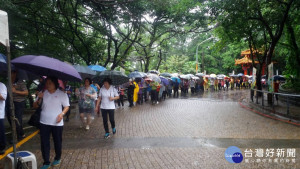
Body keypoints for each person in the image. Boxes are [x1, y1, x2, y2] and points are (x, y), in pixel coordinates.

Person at [34, 76, 69, 169]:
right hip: (44, 122)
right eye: (47, 83)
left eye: (50, 83)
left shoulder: (62, 94)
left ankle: (58, 157)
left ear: (55, 84)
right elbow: (35, 106)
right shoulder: (43, 93)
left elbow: (66, 106)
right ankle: (46, 162)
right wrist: (39, 98)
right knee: (44, 142)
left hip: (57, 123)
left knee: (57, 141)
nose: (48, 85)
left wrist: (62, 114)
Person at [9, 70, 28, 141]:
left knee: (17, 119)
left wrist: (15, 91)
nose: (10, 74)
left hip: (19, 103)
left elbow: (26, 92)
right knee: (10, 118)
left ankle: (18, 136)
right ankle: (21, 133)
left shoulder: (20, 82)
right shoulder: (9, 82)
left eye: (11, 72)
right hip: (11, 102)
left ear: (15, 73)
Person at [0, 82, 7, 155]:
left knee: (0, 132)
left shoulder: (2, 85)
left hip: (0, 113)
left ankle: (2, 147)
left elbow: (3, 98)